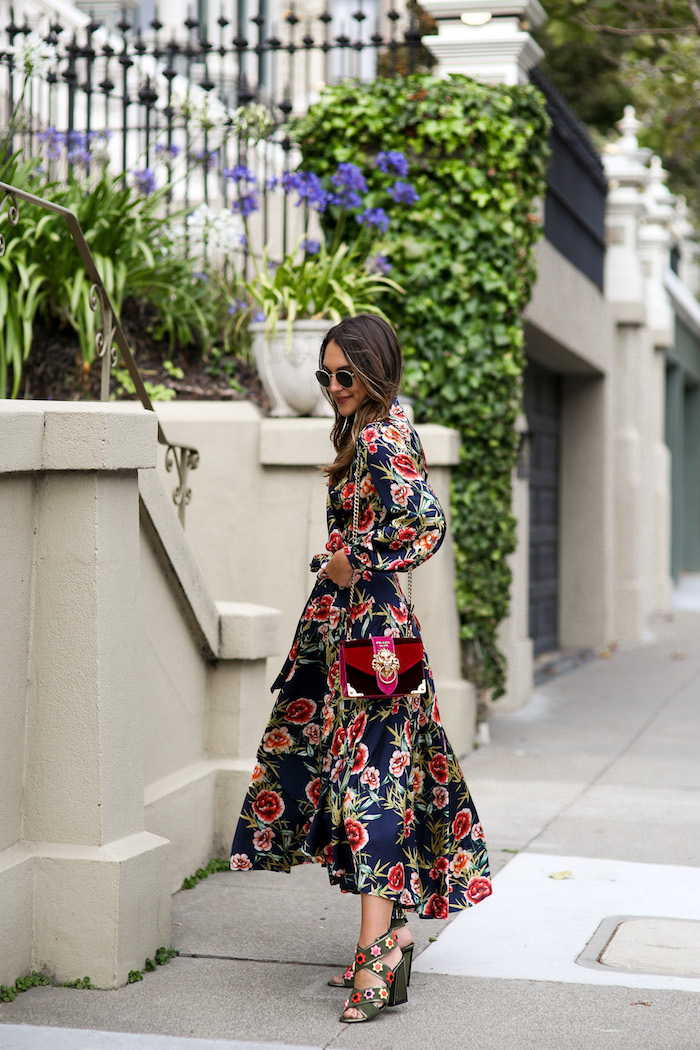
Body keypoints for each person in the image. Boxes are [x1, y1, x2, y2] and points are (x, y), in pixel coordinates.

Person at [230, 313, 491, 1023]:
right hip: (362, 632)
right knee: (374, 778)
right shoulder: (376, 428)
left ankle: (376, 952)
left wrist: (358, 559)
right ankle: (391, 934)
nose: (334, 387)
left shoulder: (377, 434)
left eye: (346, 375)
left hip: (373, 635)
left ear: (376, 370)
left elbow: (425, 524)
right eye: (326, 376)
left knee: (371, 782)